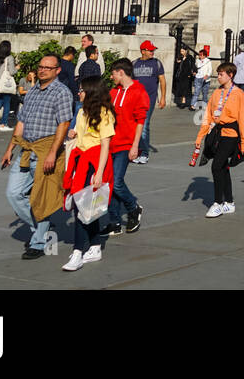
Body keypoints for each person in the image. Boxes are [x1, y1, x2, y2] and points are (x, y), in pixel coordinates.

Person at [0, 54, 73, 259]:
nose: (42, 70)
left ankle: (39, 242)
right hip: (26, 150)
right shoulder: (31, 93)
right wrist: (9, 149)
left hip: (46, 151)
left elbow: (64, 125)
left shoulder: (62, 93)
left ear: (57, 70)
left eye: (48, 68)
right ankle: (41, 225)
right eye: (40, 67)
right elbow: (21, 123)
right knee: (14, 194)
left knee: (42, 197)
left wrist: (52, 153)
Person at [60, 75, 115, 271]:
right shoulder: (82, 111)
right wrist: (74, 132)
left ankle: (77, 252)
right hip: (80, 160)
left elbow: (105, 145)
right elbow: (78, 130)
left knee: (83, 207)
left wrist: (99, 173)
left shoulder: (105, 113)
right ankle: (94, 245)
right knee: (84, 206)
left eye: (82, 90)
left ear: (91, 92)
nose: (79, 93)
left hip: (94, 163)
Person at [193, 62, 244, 217]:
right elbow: (207, 116)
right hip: (217, 134)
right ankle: (229, 202)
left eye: (221, 74)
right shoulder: (216, 93)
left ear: (230, 75)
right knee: (223, 167)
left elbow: (243, 119)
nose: (218, 77)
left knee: (216, 166)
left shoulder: (238, 94)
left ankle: (217, 203)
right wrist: (200, 136)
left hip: (231, 135)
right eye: (218, 74)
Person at [105, 58, 149, 236]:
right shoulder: (113, 92)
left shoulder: (139, 91)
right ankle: (114, 221)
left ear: (121, 72)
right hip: (110, 143)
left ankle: (133, 207)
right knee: (109, 183)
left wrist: (135, 145)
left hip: (126, 143)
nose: (111, 76)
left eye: (113, 73)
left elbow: (140, 121)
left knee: (116, 181)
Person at [131, 41, 166, 163]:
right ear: (143, 51)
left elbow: (162, 81)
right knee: (135, 125)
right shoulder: (134, 64)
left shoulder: (156, 63)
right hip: (135, 100)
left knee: (144, 125)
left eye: (153, 50)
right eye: (150, 50)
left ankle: (145, 153)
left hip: (149, 100)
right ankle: (138, 150)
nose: (152, 52)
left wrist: (162, 98)